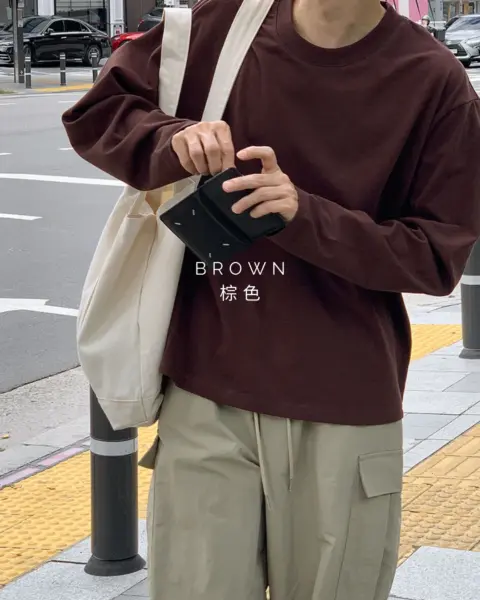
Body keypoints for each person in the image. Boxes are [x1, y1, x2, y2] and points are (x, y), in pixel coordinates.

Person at [62, 0, 480, 598]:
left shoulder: (432, 78)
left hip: (345, 404)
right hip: (206, 393)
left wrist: (301, 214)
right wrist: (173, 138)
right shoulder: (220, 27)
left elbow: (435, 256)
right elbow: (97, 113)